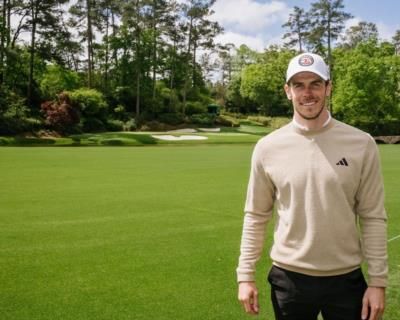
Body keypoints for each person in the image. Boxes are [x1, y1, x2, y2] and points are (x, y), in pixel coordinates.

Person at [237, 52, 387, 320]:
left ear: (328, 88)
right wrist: (245, 275)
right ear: (287, 91)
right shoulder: (267, 147)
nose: (308, 93)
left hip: (346, 280)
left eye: (315, 83)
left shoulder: (361, 143)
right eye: (299, 85)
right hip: (289, 279)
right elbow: (256, 215)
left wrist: (377, 282)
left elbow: (373, 216)